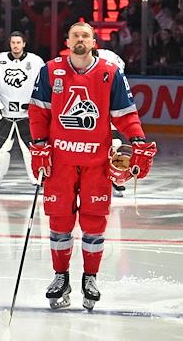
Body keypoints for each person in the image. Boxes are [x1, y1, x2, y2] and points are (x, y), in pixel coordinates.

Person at [29, 21, 155, 310]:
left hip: (96, 162)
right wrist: (38, 144)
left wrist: (138, 139)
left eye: (85, 36)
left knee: (94, 222)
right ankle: (61, 277)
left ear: (93, 42)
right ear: (67, 41)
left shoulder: (110, 72)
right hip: (60, 161)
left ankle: (90, 278)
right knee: (59, 221)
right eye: (75, 35)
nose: (80, 39)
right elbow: (38, 111)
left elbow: (125, 114)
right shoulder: (50, 70)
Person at [0, 31, 45, 191]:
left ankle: (38, 177)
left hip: (28, 115)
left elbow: (42, 86)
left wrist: (38, 107)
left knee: (33, 149)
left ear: (24, 44)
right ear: (9, 44)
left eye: (18, 43)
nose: (16, 46)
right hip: (3, 113)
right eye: (13, 43)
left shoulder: (36, 61)